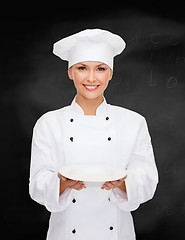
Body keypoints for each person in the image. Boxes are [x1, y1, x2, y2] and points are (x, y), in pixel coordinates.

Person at [29, 28, 158, 240]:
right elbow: (37, 185)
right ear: (70, 72)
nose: (91, 78)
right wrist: (62, 183)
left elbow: (148, 181)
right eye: (82, 68)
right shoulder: (49, 123)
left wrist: (123, 183)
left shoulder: (134, 122)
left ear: (110, 74)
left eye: (100, 69)